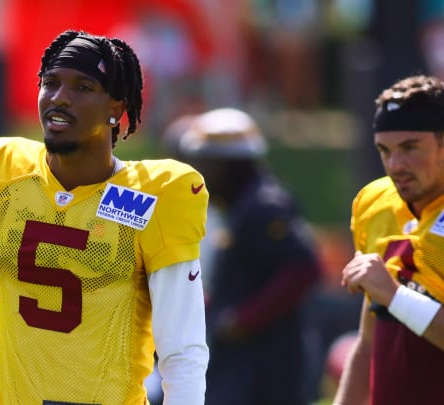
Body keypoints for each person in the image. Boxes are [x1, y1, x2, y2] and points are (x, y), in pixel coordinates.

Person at [0, 29, 209, 404]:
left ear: (116, 109)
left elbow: (181, 353)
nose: (60, 98)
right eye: (51, 83)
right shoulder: (4, 172)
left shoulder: (152, 196)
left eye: (83, 87)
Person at [169, 108, 322, 404]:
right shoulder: (239, 207)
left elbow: (303, 268)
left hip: (268, 361)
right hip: (242, 358)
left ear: (230, 164)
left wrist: (244, 318)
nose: (198, 173)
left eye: (205, 163)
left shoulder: (265, 206)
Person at [335, 74, 444, 405]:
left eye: (410, 147)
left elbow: (390, 297)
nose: (395, 165)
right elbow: (368, 340)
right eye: (385, 150)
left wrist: (396, 296)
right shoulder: (375, 204)